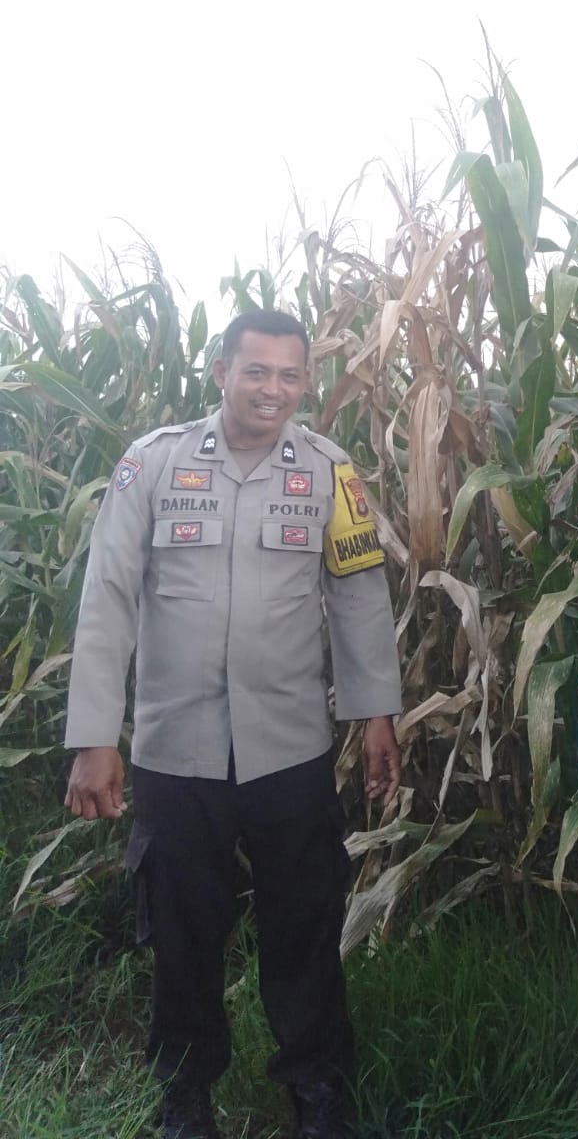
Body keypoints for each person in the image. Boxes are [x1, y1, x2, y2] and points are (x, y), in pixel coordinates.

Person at [63, 309, 405, 1139]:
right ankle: (185, 1093)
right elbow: (107, 599)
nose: (273, 390)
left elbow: (359, 596)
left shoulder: (330, 472)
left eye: (290, 375)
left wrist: (376, 715)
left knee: (305, 927)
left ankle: (317, 1089)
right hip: (176, 752)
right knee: (183, 933)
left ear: (306, 382)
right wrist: (95, 736)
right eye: (257, 371)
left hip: (289, 749)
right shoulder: (154, 464)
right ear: (221, 372)